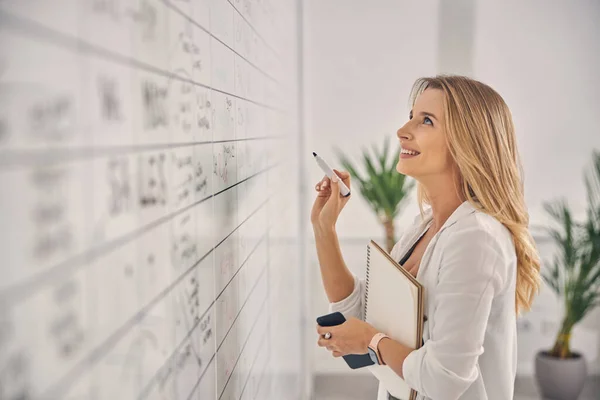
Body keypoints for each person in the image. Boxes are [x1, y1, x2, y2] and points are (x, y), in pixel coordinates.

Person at [311, 75, 541, 400]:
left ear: (468, 142)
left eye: (427, 121)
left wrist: (370, 341)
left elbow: (445, 379)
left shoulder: (477, 239)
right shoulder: (425, 226)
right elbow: (364, 315)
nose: (402, 131)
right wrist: (324, 229)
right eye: (411, 117)